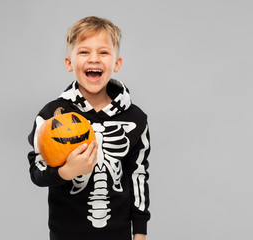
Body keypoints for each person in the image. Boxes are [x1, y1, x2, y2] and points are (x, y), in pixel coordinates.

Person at [27, 16, 151, 240]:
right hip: (65, 234)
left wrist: (140, 233)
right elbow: (36, 171)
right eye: (84, 52)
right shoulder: (50, 116)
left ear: (117, 63)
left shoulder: (135, 118)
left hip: (119, 235)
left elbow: (138, 176)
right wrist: (66, 172)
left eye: (103, 52)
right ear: (69, 63)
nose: (94, 58)